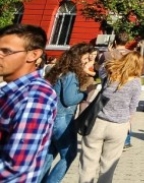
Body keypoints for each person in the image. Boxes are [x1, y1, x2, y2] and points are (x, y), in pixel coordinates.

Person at [0, 25, 57, 182]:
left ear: (33, 55)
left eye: (6, 51)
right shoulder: (14, 91)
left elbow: (15, 166)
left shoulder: (34, 97)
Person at [78, 51, 143, 183]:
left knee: (88, 164)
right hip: (118, 126)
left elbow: (101, 67)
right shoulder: (136, 83)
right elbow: (133, 107)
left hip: (97, 122)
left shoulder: (110, 74)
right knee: (108, 167)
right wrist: (129, 124)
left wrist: (112, 54)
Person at [43, 43, 96, 183]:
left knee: (49, 155)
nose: (86, 61)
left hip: (52, 118)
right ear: (77, 58)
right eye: (85, 58)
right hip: (63, 119)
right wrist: (85, 94)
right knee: (69, 154)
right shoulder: (71, 75)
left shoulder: (57, 71)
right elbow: (69, 99)